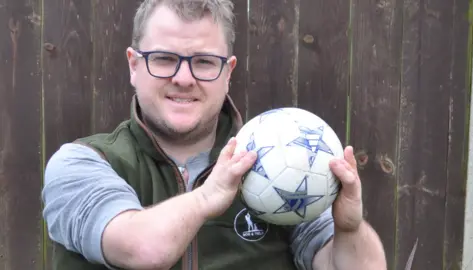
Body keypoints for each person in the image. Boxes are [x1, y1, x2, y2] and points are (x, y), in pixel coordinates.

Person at [42, 0, 387, 269]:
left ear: (227, 72)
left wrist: (349, 230)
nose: (183, 78)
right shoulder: (83, 163)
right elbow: (141, 248)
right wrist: (208, 198)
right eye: (163, 59)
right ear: (134, 65)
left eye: (204, 62)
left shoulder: (283, 165)